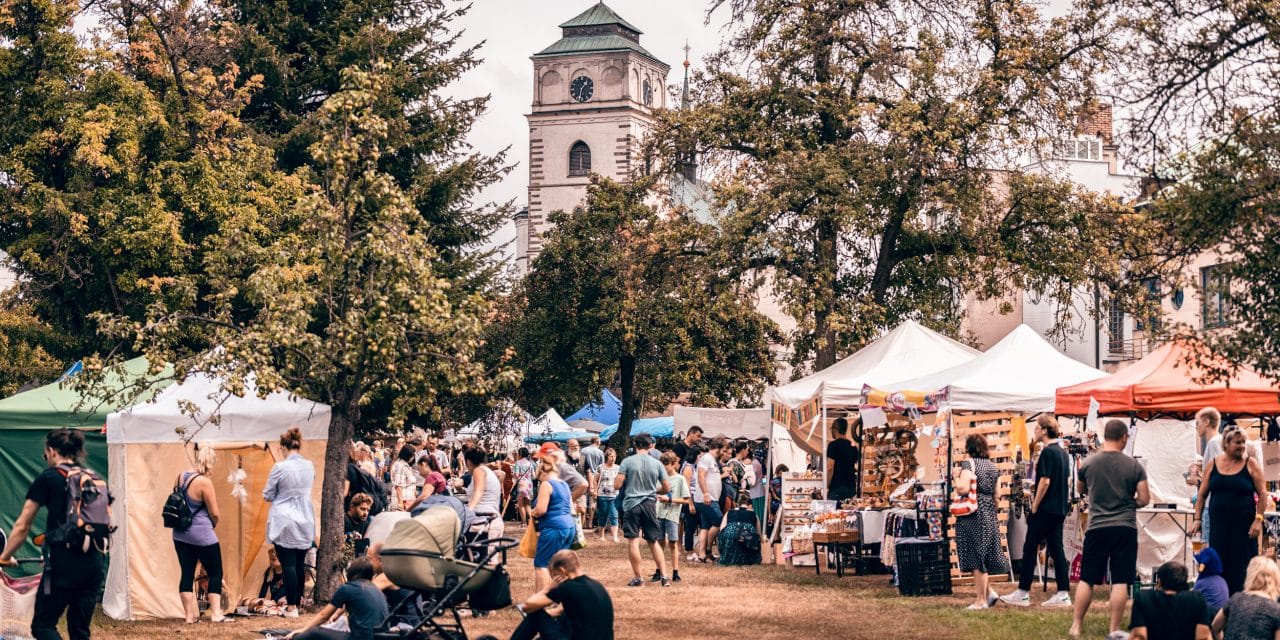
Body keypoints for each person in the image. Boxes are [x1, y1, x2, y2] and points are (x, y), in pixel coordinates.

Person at [0, 429, 108, 640]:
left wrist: (4, 557)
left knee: (43, 625)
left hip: (65, 564)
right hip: (95, 563)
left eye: (45, 454)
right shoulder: (91, 477)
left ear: (51, 451)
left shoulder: (49, 478)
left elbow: (23, 526)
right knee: (79, 631)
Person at [1069, 419, 1150, 639]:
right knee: (1120, 580)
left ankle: (1076, 625)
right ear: (1124, 437)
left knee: (1087, 578)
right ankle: (1113, 629)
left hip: (1097, 526)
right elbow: (1144, 498)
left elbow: (1081, 489)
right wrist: (1129, 502)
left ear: (1105, 436)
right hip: (1125, 527)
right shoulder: (1134, 466)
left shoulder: (1088, 463)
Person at [1001, 414, 1072, 608]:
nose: (1034, 431)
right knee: (1057, 550)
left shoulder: (1048, 453)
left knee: (1030, 547)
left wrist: (1034, 505)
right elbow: (1065, 481)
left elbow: (1045, 481)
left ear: (1043, 430)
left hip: (1045, 508)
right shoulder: (1063, 453)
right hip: (1059, 509)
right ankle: (1063, 592)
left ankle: (1023, 592)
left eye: (1036, 428)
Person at [1191, 423, 1267, 594]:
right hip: (1219, 528)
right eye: (1237, 442)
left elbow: (1263, 494)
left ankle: (1243, 604)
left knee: (1243, 567)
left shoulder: (1251, 464)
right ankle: (1221, 605)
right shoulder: (1213, 464)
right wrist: (1197, 519)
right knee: (1219, 564)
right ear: (1226, 444)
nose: (1241, 446)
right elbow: (1202, 495)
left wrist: (1258, 519)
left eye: (1243, 442)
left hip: (1244, 529)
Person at [265, 427, 317, 619]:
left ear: (283, 447)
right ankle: (299, 601)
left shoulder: (280, 467)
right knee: (299, 563)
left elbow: (268, 494)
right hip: (305, 517)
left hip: (284, 518)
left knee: (287, 564)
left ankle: (292, 606)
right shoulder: (309, 465)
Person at [953, 434, 1009, 610]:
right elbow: (998, 494)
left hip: (972, 514)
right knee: (981, 555)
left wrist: (955, 478)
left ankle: (980, 601)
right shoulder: (993, 467)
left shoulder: (969, 464)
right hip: (988, 512)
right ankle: (989, 593)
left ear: (969, 448)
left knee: (976, 557)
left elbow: (963, 488)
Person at [173, 447, 227, 623]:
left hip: (180, 534)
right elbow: (215, 513)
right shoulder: (204, 482)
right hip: (202, 534)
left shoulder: (180, 477)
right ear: (210, 463)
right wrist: (213, 524)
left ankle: (189, 616)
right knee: (215, 572)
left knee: (187, 573)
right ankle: (217, 614)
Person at [511, 550, 614, 640]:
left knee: (536, 615)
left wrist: (548, 588)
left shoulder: (568, 587)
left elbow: (527, 606)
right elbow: (566, 611)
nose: (554, 580)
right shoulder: (596, 585)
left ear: (562, 571)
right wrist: (550, 613)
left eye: (554, 576)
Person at [285, 556, 388, 640]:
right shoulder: (375, 589)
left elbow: (323, 616)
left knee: (315, 633)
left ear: (351, 573)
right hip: (381, 637)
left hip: (360, 638)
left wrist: (303, 630)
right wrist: (337, 615)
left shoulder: (348, 588)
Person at [614, 434, 670, 587]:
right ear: (650, 445)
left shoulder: (627, 462)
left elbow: (617, 485)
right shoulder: (657, 464)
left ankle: (639, 578)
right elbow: (667, 488)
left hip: (632, 504)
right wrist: (654, 490)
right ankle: (664, 576)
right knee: (653, 541)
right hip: (650, 503)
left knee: (633, 540)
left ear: (635, 445)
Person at [1128, 561, 1212, 640]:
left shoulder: (1144, 598)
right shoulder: (1197, 599)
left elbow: (1140, 635)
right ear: (1184, 581)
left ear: (1159, 582)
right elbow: (1203, 636)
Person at [531, 453, 577, 593]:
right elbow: (571, 508)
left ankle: (541, 599)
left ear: (542, 470)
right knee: (559, 565)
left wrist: (532, 512)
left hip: (553, 527)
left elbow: (541, 510)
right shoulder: (564, 484)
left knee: (541, 564)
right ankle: (562, 597)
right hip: (569, 527)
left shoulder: (546, 484)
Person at [1212, 556, 1280, 640]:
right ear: (1275, 579)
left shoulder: (1235, 599)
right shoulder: (1276, 609)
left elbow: (1215, 627)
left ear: (1250, 575)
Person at [654, 452, 689, 582]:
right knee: (659, 542)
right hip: (659, 513)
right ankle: (659, 570)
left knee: (673, 542)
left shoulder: (680, 479)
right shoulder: (660, 478)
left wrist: (669, 500)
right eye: (662, 465)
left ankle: (675, 572)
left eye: (666, 465)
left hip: (672, 515)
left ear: (674, 464)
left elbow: (686, 500)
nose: (664, 467)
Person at [691, 438, 726, 563]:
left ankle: (702, 555)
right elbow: (701, 475)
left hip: (711, 498)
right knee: (719, 521)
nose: (724, 453)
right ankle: (708, 549)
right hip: (707, 499)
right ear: (718, 447)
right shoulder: (706, 458)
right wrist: (706, 493)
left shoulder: (713, 460)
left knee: (705, 526)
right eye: (724, 450)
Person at [464, 448, 505, 540]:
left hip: (482, 522)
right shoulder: (489, 472)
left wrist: (468, 511)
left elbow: (479, 491)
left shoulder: (478, 470)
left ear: (468, 461)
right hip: (493, 521)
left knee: (475, 553)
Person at [717, 490, 762, 566]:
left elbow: (721, 530)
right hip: (747, 541)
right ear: (750, 505)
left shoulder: (729, 512)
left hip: (730, 543)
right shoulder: (754, 514)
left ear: (738, 504)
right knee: (750, 536)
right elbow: (758, 534)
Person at [825, 417, 859, 503]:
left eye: (831, 429)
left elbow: (829, 467)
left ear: (835, 429)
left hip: (837, 489)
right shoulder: (853, 447)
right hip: (851, 489)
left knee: (835, 515)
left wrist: (826, 486)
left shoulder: (833, 445)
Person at [1193, 547, 1230, 616]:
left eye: (1198, 565)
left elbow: (1192, 603)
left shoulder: (1202, 583)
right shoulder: (1221, 580)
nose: (1196, 567)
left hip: (1209, 620)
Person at [595, 448, 621, 542]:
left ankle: (615, 537)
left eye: (614, 456)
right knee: (603, 515)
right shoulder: (600, 467)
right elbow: (595, 480)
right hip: (602, 495)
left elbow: (620, 480)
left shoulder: (618, 468)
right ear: (607, 457)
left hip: (615, 496)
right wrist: (594, 491)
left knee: (614, 515)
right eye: (611, 456)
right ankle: (601, 536)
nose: (613, 458)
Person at [580, 437, 605, 530]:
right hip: (595, 477)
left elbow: (581, 465)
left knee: (583, 499)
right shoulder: (600, 452)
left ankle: (582, 522)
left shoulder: (583, 450)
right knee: (592, 500)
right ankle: (590, 523)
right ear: (598, 442)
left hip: (583, 477)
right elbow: (602, 467)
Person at [389, 445, 418, 512]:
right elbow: (398, 486)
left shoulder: (404, 465)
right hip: (404, 501)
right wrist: (400, 503)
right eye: (412, 455)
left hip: (408, 500)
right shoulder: (400, 466)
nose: (413, 457)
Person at [513, 447, 537, 526]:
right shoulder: (530, 464)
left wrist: (513, 474)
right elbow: (534, 476)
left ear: (520, 454)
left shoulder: (517, 463)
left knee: (521, 505)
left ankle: (523, 522)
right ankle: (530, 522)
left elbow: (516, 475)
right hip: (529, 486)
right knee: (528, 504)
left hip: (521, 485)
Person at [345, 493, 373, 559]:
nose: (366, 513)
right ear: (352, 507)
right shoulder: (344, 521)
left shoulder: (365, 523)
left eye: (368, 510)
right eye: (362, 509)